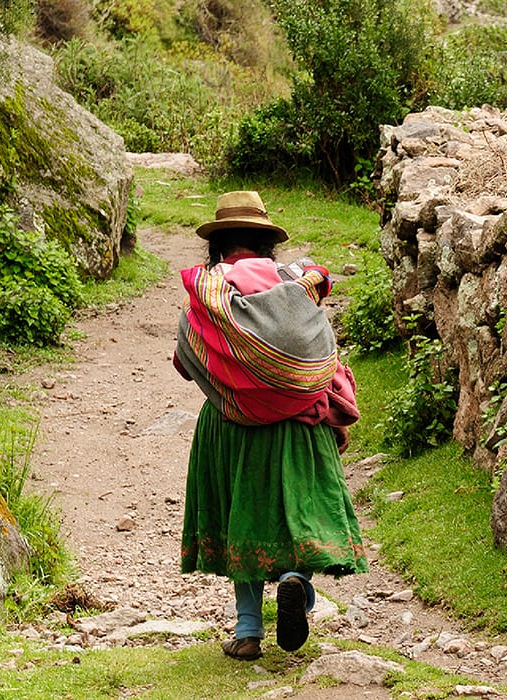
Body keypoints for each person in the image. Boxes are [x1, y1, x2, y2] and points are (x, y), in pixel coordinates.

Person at [174, 190, 368, 661]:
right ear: (266, 243)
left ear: (218, 246)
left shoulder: (209, 293)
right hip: (302, 423)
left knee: (242, 512)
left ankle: (246, 632)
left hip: (231, 421)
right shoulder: (296, 285)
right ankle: (294, 581)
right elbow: (323, 353)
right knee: (298, 507)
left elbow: (185, 359)